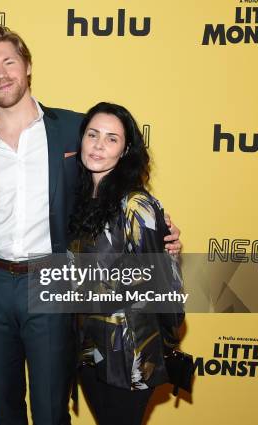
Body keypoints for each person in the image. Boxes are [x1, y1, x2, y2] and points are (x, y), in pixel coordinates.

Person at [0, 26, 182, 425]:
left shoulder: (74, 129)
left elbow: (113, 184)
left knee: (51, 407)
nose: (1, 74)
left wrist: (159, 233)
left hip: (52, 281)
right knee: (5, 406)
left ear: (27, 66)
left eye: (9, 62)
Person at [69, 102, 185, 425]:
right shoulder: (78, 201)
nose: (98, 145)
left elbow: (164, 289)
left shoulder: (137, 205)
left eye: (111, 139)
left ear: (125, 150)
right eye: (92, 135)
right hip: (89, 353)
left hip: (130, 357)